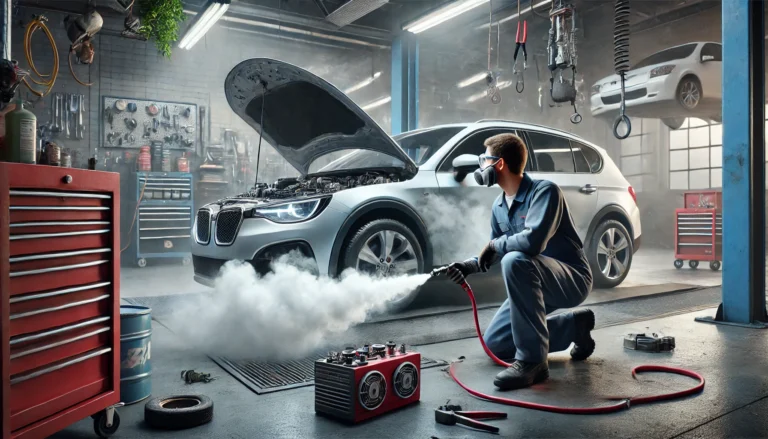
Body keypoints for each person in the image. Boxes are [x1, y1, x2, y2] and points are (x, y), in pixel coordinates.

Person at [446, 133, 594, 391]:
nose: (481, 166)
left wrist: (495, 246)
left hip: (571, 279)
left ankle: (533, 363)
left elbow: (531, 243)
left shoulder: (545, 192)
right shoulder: (499, 206)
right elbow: (495, 252)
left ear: (499, 164)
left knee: (515, 259)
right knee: (497, 344)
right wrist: (468, 265)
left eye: (484, 160)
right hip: (533, 281)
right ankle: (575, 326)